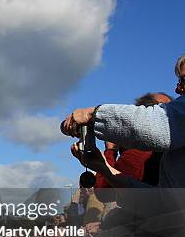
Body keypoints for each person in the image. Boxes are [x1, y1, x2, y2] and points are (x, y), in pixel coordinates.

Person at [63, 55, 185, 188]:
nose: (177, 89)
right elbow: (160, 201)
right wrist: (103, 167)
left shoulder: (142, 154)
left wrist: (91, 114)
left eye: (183, 80)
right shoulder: (171, 158)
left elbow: (161, 124)